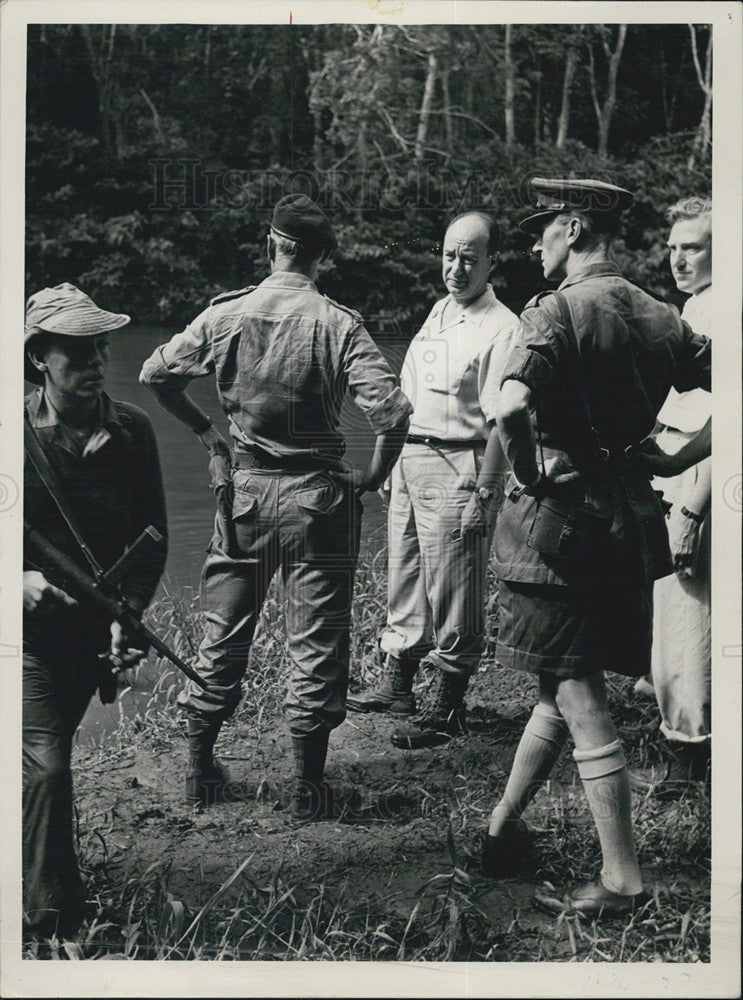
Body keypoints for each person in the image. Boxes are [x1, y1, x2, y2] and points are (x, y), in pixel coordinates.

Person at [480, 179, 710, 919]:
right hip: (625, 519)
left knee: (579, 692)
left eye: (543, 228)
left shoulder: (554, 311)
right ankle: (501, 827)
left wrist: (526, 472)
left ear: (574, 226)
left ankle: (622, 880)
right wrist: (675, 459)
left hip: (561, 529)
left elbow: (509, 405)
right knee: (559, 678)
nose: (533, 243)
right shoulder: (659, 314)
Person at [139, 195, 412, 820]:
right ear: (323, 258)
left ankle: (199, 769)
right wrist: (371, 474)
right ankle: (307, 787)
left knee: (221, 637)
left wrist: (211, 438)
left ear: (271, 244)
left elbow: (157, 375)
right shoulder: (339, 324)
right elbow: (392, 413)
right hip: (320, 500)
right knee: (316, 644)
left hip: (246, 496)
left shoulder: (228, 315)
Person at [23, 283, 167, 937]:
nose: (93, 364)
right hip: (19, 633)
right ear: (38, 360)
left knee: (43, 764)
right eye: (74, 352)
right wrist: (15, 580)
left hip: (91, 637)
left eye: (98, 350)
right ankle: (54, 921)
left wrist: (127, 614)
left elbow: (154, 538)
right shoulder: (12, 435)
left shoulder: (133, 431)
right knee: (48, 767)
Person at [347, 211, 518, 749]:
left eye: (470, 256)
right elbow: (408, 399)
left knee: (456, 589)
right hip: (411, 458)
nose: (456, 267)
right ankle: (397, 684)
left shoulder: (503, 327)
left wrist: (484, 495)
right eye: (449, 255)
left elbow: (504, 423)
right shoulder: (439, 312)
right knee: (405, 574)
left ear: (492, 262)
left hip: (458, 464)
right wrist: (391, 464)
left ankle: (448, 707)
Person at [631, 197, 712, 793]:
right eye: (675, 245)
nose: (678, 258)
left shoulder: (719, 311)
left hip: (701, 480)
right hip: (677, 468)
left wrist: (691, 508)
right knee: (671, 603)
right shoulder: (692, 307)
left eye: (695, 247)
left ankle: (687, 756)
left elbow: (728, 424)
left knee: (690, 610)